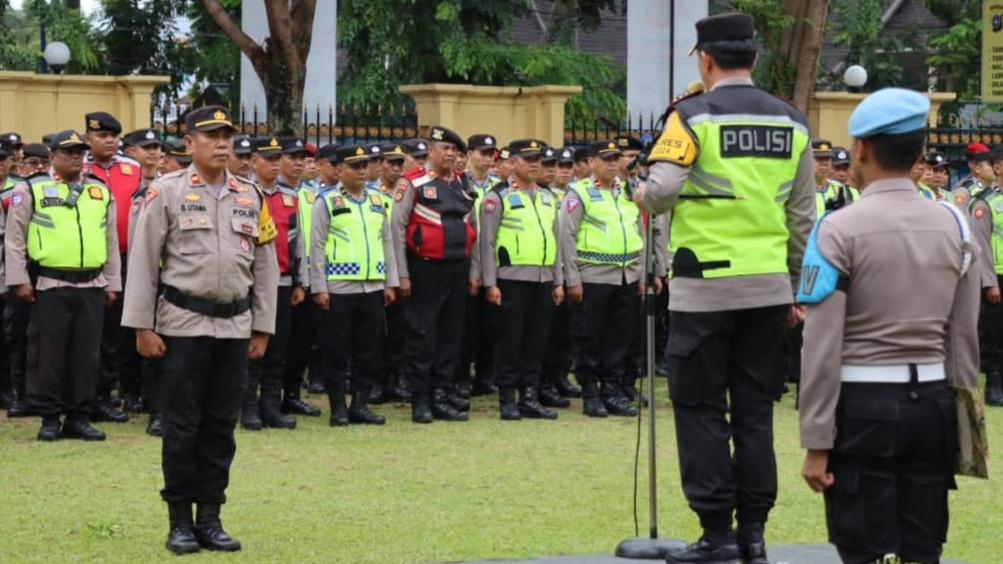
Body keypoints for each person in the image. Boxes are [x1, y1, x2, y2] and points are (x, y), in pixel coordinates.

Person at [635, 13, 815, 563]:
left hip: (705, 287)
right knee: (755, 413)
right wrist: (796, 289)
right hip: (768, 289)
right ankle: (753, 535)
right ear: (755, 59)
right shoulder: (793, 122)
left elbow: (660, 193)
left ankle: (716, 533)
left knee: (699, 408)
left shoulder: (690, 116)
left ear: (705, 59)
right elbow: (802, 218)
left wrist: (639, 190)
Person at [798, 87, 979, 564]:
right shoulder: (956, 226)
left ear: (861, 149)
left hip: (864, 407)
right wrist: (961, 425)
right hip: (934, 405)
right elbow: (963, 338)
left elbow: (821, 345)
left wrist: (817, 439)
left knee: (864, 547)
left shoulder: (836, 229)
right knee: (922, 546)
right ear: (919, 154)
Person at [122, 105, 279, 555]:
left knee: (221, 426)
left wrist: (263, 326)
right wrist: (142, 326)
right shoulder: (166, 192)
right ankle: (180, 521)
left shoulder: (250, 195)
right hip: (182, 325)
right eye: (211, 136)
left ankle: (210, 517)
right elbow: (144, 262)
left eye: (227, 135)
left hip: (235, 326)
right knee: (182, 425)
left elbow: (265, 265)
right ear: (190, 143)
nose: (222, 143)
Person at [5, 129, 122, 442]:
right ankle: (50, 417)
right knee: (48, 355)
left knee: (87, 355)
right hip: (50, 283)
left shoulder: (98, 191)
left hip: (92, 284)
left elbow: (110, 240)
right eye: (68, 153)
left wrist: (113, 283)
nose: (75, 158)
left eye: (79, 153)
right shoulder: (32, 189)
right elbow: (14, 238)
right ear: (52, 156)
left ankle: (78, 416)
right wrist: (19, 279)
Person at [392, 125, 479, 423]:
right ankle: (421, 399)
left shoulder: (462, 183)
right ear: (430, 151)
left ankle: (442, 395)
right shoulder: (413, 182)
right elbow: (396, 228)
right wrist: (401, 274)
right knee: (422, 335)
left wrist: (474, 271)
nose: (451, 154)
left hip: (458, 268)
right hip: (425, 268)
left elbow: (473, 229)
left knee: (451, 336)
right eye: (445, 149)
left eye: (455, 150)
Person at [311, 145, 398, 427]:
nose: (361, 171)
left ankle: (360, 405)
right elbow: (316, 246)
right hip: (339, 288)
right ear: (339, 170)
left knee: (369, 350)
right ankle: (338, 408)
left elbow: (387, 242)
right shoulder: (327, 201)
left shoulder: (377, 200)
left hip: (372, 287)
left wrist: (390, 282)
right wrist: (319, 287)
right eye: (354, 166)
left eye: (364, 166)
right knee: (337, 351)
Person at [480, 139, 564, 420]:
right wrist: (490, 283)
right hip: (511, 279)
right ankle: (507, 399)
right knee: (510, 340)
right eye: (527, 159)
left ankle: (529, 397)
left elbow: (555, 241)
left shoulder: (547, 197)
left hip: (543, 278)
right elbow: (487, 243)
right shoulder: (498, 197)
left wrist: (558, 281)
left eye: (537, 159)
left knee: (536, 341)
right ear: (512, 162)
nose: (534, 164)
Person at [561, 140, 644, 419]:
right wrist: (572, 279)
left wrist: (640, 273)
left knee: (620, 337)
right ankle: (591, 393)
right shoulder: (579, 192)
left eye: (615, 158)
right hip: (593, 276)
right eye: (606, 158)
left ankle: (612, 391)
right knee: (589, 337)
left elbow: (639, 231)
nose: (612, 163)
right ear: (591, 162)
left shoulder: (627, 191)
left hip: (626, 275)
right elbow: (566, 236)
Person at [242, 136, 306, 430]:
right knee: (252, 347)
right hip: (250, 281)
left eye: (277, 158)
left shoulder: (289, 196)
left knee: (278, 348)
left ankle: (271, 405)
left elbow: (298, 241)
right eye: (268, 159)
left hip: (282, 280)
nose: (274, 164)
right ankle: (247, 406)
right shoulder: (243, 192)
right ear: (254, 161)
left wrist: (300, 281)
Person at [84, 112, 138, 424]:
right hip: (92, 262)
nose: (110, 141)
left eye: (114, 136)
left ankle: (115, 393)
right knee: (95, 333)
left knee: (120, 332)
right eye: (102, 136)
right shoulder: (79, 168)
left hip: (129, 259)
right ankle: (91, 396)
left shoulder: (132, 168)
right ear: (88, 138)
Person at [276, 137, 322, 417]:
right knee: (275, 343)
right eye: (291, 157)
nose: (298, 163)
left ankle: (292, 395)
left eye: (301, 158)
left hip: (306, 276)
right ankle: (266, 398)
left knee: (301, 341)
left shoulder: (311, 193)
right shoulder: (269, 191)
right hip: (280, 276)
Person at [459, 133, 501, 398]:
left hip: (493, 263)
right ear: (469, 154)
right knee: (465, 326)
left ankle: (486, 376)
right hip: (468, 261)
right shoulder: (459, 182)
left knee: (491, 325)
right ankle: (462, 376)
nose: (488, 158)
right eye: (482, 153)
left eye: (491, 154)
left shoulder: (499, 186)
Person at [540, 146, 582, 401]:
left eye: (568, 166)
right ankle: (545, 381)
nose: (564, 171)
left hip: (571, 270)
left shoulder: (576, 194)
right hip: (550, 270)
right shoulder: (544, 195)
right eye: (559, 166)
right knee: (549, 331)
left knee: (567, 331)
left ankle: (561, 376)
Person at [970, 145, 1003, 407]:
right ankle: (994, 381)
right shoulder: (984, 202)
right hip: (997, 276)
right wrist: (989, 282)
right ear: (999, 167)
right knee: (994, 331)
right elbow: (979, 244)